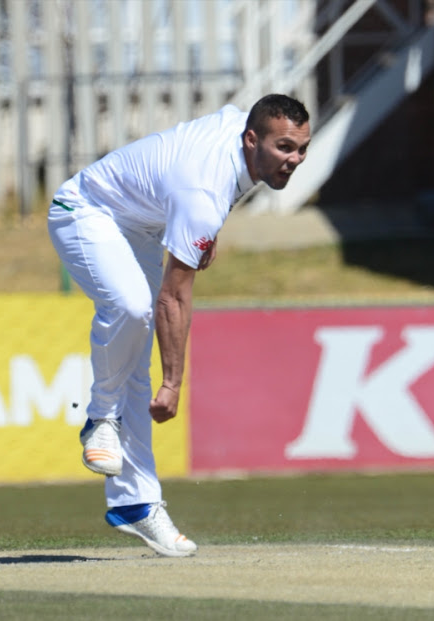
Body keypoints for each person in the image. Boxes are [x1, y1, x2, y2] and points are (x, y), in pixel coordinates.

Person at [48, 94, 311, 557]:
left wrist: (203, 234)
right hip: (85, 211)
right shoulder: (202, 194)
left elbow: (234, 121)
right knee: (132, 308)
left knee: (133, 358)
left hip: (143, 224)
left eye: (301, 148)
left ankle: (136, 504)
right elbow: (174, 295)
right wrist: (173, 382)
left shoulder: (239, 131)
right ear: (252, 139)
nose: (295, 160)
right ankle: (99, 418)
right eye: (284, 148)